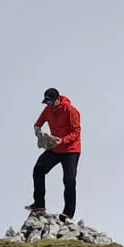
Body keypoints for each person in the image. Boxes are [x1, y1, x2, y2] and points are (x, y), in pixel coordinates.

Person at [28, 87, 82, 220]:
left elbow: (76, 132)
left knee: (69, 180)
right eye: (47, 102)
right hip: (54, 148)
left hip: (71, 150)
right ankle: (39, 205)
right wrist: (38, 131)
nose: (49, 105)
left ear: (58, 99)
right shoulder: (48, 109)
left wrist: (62, 140)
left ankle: (68, 213)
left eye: (51, 102)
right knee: (39, 169)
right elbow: (38, 123)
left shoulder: (70, 110)